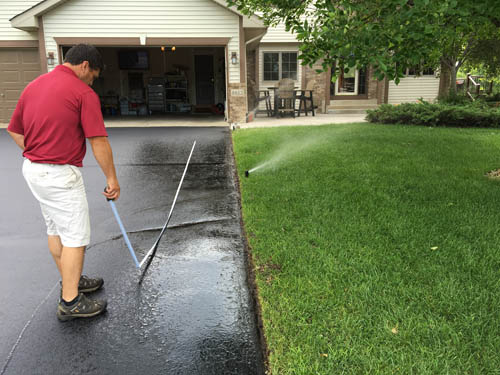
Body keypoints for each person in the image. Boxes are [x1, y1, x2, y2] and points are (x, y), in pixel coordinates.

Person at [6, 44, 120, 322]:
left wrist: (37, 152)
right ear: (84, 66)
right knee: (75, 238)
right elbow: (98, 140)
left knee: (56, 228)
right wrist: (111, 179)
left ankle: (72, 280)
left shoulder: (34, 85)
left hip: (33, 170)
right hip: (59, 175)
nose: (92, 80)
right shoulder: (83, 93)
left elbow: (13, 130)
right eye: (93, 75)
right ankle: (70, 301)